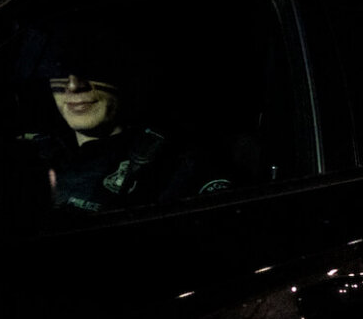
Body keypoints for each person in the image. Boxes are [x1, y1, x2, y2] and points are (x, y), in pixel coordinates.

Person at [25, 27, 231, 213]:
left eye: (92, 69)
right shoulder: (31, 152)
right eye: (58, 69)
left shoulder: (173, 165)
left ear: (127, 73)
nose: (73, 85)